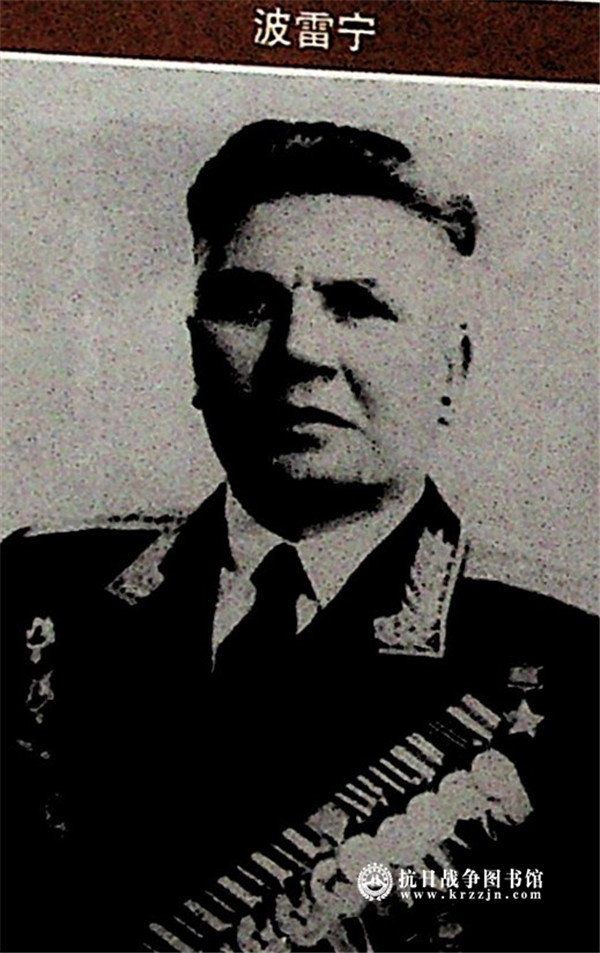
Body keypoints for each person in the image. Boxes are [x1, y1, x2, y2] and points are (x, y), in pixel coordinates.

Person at [2, 120, 597, 953]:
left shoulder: (568, 658)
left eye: (358, 306)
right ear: (195, 353)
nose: (298, 351)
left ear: (451, 370)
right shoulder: (36, 590)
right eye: (248, 304)